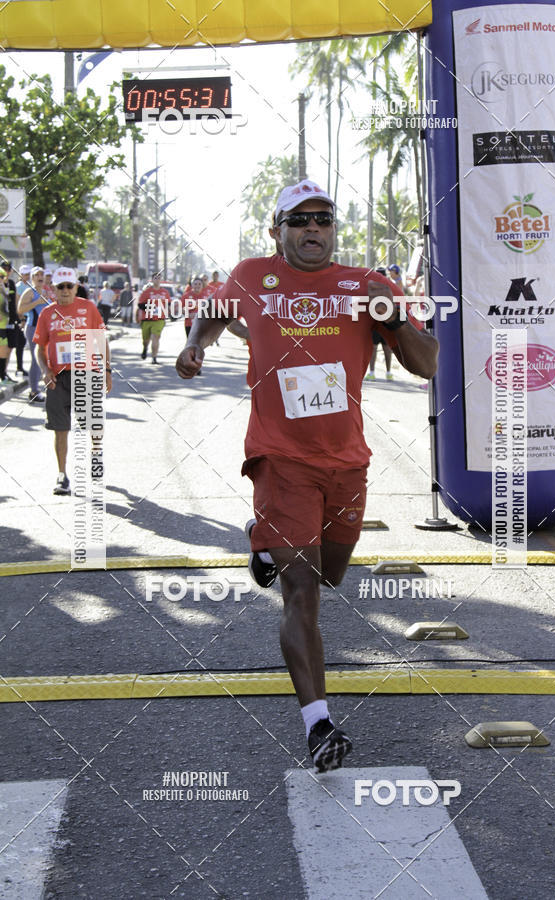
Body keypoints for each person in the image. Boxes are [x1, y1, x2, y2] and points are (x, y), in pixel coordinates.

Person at [176, 178, 438, 771]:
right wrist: (194, 344)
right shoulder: (251, 275)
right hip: (279, 456)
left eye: (323, 219)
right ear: (278, 231)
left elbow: (427, 366)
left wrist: (394, 320)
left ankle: (263, 545)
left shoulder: (366, 285)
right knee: (303, 593)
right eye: (299, 221)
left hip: (346, 460)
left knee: (331, 574)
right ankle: (318, 724)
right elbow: (212, 313)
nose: (313, 229)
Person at [33, 267, 111, 495]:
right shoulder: (47, 313)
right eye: (61, 287)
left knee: (93, 422)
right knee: (60, 428)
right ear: (54, 289)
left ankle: (96, 453)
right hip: (58, 379)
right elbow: (40, 348)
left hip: (87, 372)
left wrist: (107, 369)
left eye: (69, 286)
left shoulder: (88, 308)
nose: (65, 291)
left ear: (76, 287)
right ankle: (62, 475)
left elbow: (100, 339)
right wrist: (45, 370)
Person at [17, 265, 51, 402]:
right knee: (36, 359)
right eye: (36, 275)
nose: (39, 277)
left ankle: (42, 387)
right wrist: (37, 301)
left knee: (46, 358)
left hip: (46, 329)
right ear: (32, 278)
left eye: (41, 274)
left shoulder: (47, 291)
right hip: (33, 328)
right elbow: (20, 309)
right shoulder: (29, 292)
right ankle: (33, 391)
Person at [365, 267, 396, 382]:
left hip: (386, 324)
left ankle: (388, 372)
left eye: (380, 275)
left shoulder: (389, 288)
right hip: (374, 324)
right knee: (373, 349)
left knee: (387, 349)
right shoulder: (371, 288)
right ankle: (372, 372)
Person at [136, 272, 170, 363]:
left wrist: (168, 313)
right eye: (155, 278)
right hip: (147, 319)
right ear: (152, 280)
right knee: (146, 340)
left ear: (161, 279)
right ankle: (145, 348)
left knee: (156, 337)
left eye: (159, 278)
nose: (157, 279)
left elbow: (168, 304)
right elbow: (140, 305)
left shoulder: (165, 292)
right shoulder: (147, 292)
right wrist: (150, 307)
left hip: (159, 319)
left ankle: (154, 357)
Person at [1, 261, 27, 378]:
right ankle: (3, 373)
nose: (6, 271)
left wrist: (20, 319)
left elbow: (15, 303)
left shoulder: (12, 283)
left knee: (10, 348)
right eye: (4, 268)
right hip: (1, 322)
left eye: (8, 269)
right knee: (3, 348)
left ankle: (4, 372)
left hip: (11, 321)